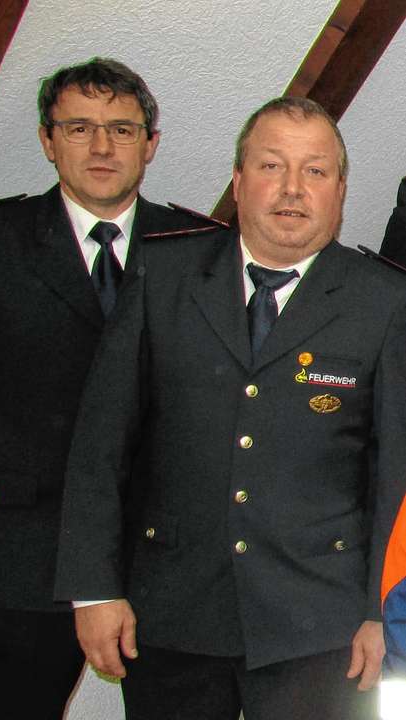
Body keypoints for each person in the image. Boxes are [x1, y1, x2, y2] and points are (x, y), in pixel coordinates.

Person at [55, 97, 406, 720]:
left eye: (315, 171)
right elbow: (101, 441)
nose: (293, 188)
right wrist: (93, 590)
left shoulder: (384, 300)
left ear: (340, 190)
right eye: (271, 166)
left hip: (319, 623)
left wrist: (381, 614)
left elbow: (395, 471)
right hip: (172, 611)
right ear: (239, 181)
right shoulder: (164, 275)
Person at [0, 56, 217, 719]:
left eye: (121, 130)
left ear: (149, 144)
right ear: (48, 140)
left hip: (165, 559)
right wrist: (14, 476)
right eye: (79, 128)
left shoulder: (201, 249)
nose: (102, 147)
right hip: (26, 552)